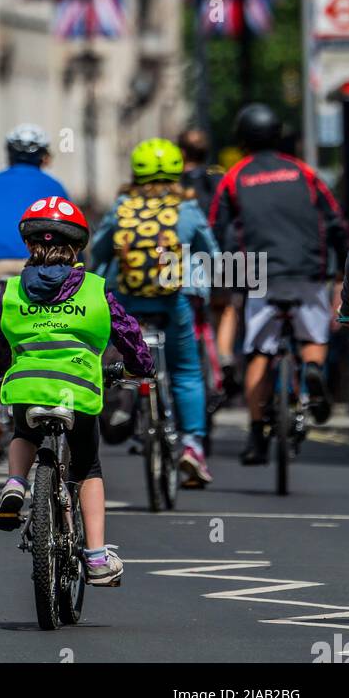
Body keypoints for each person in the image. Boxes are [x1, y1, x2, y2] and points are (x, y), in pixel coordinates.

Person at [0, 196, 153, 586]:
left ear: (28, 245)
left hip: (27, 383)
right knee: (88, 466)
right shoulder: (95, 290)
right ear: (77, 247)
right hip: (77, 389)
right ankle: (95, 557)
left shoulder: (10, 291)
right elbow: (128, 334)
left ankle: (14, 484)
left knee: (24, 433)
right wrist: (139, 367)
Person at [210, 103, 348, 464]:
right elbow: (335, 221)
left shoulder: (234, 176)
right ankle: (314, 369)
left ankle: (257, 436)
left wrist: (225, 280)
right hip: (309, 268)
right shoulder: (304, 172)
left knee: (258, 351)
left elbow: (217, 232)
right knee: (313, 337)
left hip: (258, 272)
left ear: (242, 138)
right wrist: (339, 268)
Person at [91, 138, 219, 487]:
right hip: (174, 297)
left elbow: (99, 251)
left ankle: (130, 407)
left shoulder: (121, 206)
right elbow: (212, 254)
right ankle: (192, 446)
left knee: (124, 358)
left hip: (128, 298)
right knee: (186, 372)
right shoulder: (187, 208)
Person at [0, 124, 71, 462]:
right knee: (46, 336)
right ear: (44, 157)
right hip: (37, 266)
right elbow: (70, 230)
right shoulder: (55, 186)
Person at [179, 128, 240, 398]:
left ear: (180, 152)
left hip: (179, 262)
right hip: (220, 254)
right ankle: (225, 354)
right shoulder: (219, 177)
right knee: (225, 307)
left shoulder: (172, 181)